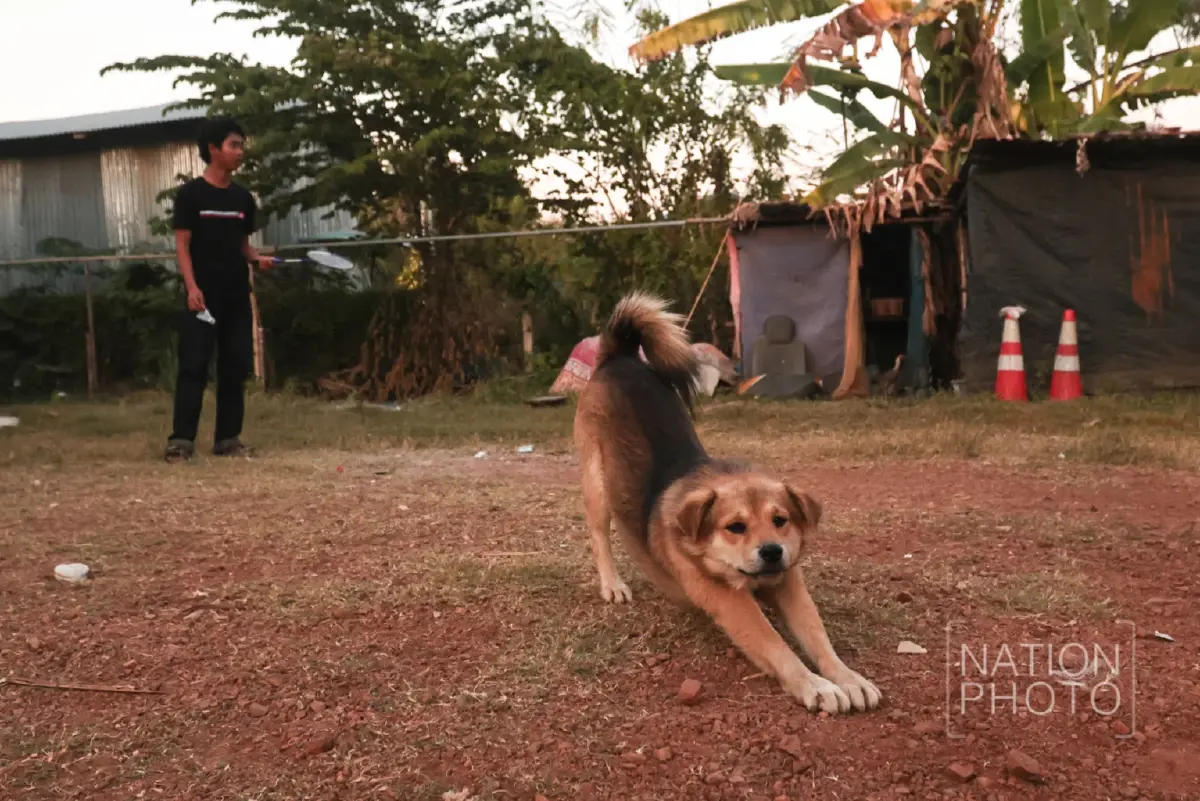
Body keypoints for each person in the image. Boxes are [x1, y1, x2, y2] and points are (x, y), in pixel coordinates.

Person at [164, 117, 275, 462]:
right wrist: (192, 287)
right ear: (213, 150)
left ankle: (227, 439)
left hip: (236, 296)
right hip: (203, 296)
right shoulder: (191, 195)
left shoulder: (243, 198)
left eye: (241, 145)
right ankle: (181, 441)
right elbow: (182, 245)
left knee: (234, 366)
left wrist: (257, 258)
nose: (240, 152)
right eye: (234, 145)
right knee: (193, 366)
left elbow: (243, 245)